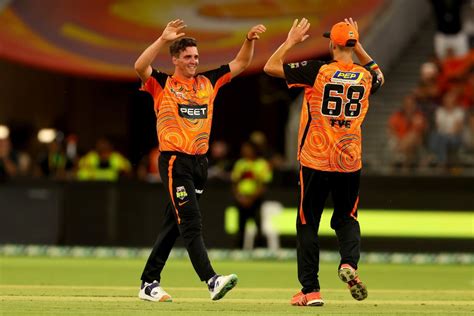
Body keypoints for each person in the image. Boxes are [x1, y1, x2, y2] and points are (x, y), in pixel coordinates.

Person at [134, 19, 266, 302]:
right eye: (187, 57)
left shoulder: (208, 82)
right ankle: (211, 280)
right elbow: (139, 66)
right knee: (191, 222)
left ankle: (148, 282)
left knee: (175, 223)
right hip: (174, 162)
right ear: (175, 59)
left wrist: (249, 39)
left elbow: (240, 64)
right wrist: (161, 39)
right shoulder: (162, 83)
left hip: (199, 165)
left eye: (196, 56)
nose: (193, 61)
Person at [264, 17, 383, 306]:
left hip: (316, 159)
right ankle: (349, 264)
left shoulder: (317, 71)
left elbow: (270, 67)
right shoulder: (365, 77)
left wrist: (291, 41)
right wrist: (359, 46)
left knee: (307, 223)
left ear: (331, 44)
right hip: (348, 159)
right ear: (353, 46)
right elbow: (379, 75)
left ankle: (310, 290)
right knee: (346, 218)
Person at [231, 141, 272, 249]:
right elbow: (235, 183)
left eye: (248, 148)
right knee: (240, 228)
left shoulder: (262, 164)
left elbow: (263, 185)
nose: (245, 151)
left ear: (254, 150)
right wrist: (240, 197)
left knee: (259, 227)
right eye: (244, 149)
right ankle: (238, 252)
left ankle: (260, 250)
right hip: (241, 200)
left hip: (256, 200)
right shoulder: (240, 164)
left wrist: (251, 199)